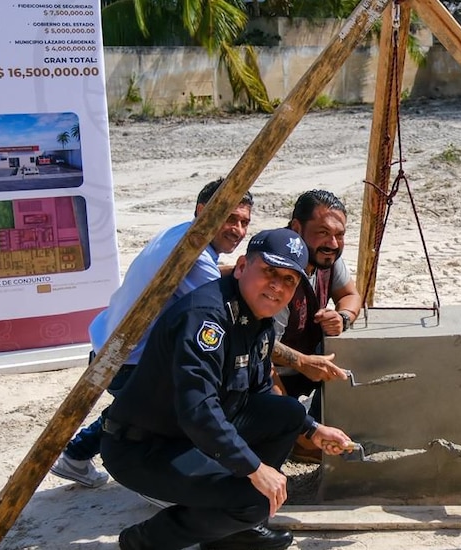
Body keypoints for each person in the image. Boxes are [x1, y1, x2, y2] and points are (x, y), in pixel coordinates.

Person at [102, 228, 354, 550]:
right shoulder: (207, 318)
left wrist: (313, 429)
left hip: (189, 435)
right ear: (240, 267)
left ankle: (234, 531)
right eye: (269, 272)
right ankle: (146, 540)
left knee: (289, 413)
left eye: (289, 280)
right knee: (257, 497)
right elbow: (199, 411)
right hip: (145, 448)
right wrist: (253, 468)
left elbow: (260, 392)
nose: (277, 286)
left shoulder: (257, 317)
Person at [50, 178, 253, 488]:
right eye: (230, 218)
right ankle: (162, 485)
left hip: (106, 342)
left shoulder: (180, 232)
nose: (238, 230)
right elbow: (220, 309)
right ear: (204, 211)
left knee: (129, 409)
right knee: (179, 408)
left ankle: (76, 455)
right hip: (128, 360)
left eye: (244, 222)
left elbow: (212, 273)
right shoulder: (195, 257)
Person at [271, 190, 361, 462]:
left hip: (303, 365)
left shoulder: (327, 259)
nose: (332, 243)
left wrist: (342, 317)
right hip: (270, 371)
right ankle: (299, 438)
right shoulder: (279, 268)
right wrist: (302, 362)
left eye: (339, 235)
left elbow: (351, 296)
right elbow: (259, 347)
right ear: (297, 228)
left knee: (346, 343)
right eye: (322, 232)